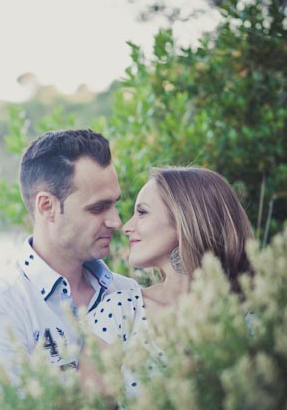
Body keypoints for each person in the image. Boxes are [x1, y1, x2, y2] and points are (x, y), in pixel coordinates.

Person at [0, 129, 141, 387]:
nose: (116, 221)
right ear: (47, 207)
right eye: (98, 208)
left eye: (114, 204)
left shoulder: (129, 293)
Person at [80, 166, 254, 396]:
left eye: (142, 212)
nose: (126, 226)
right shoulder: (120, 312)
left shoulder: (254, 314)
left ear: (186, 219)